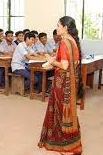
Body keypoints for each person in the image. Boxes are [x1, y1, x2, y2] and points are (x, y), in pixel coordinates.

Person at [38, 16, 83, 155]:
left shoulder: (64, 43)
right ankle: (72, 142)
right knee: (68, 111)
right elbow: (74, 64)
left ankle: (64, 145)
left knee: (59, 110)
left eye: (58, 25)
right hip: (70, 82)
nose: (56, 27)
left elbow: (64, 65)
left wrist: (51, 61)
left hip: (62, 83)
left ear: (65, 28)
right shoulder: (73, 41)